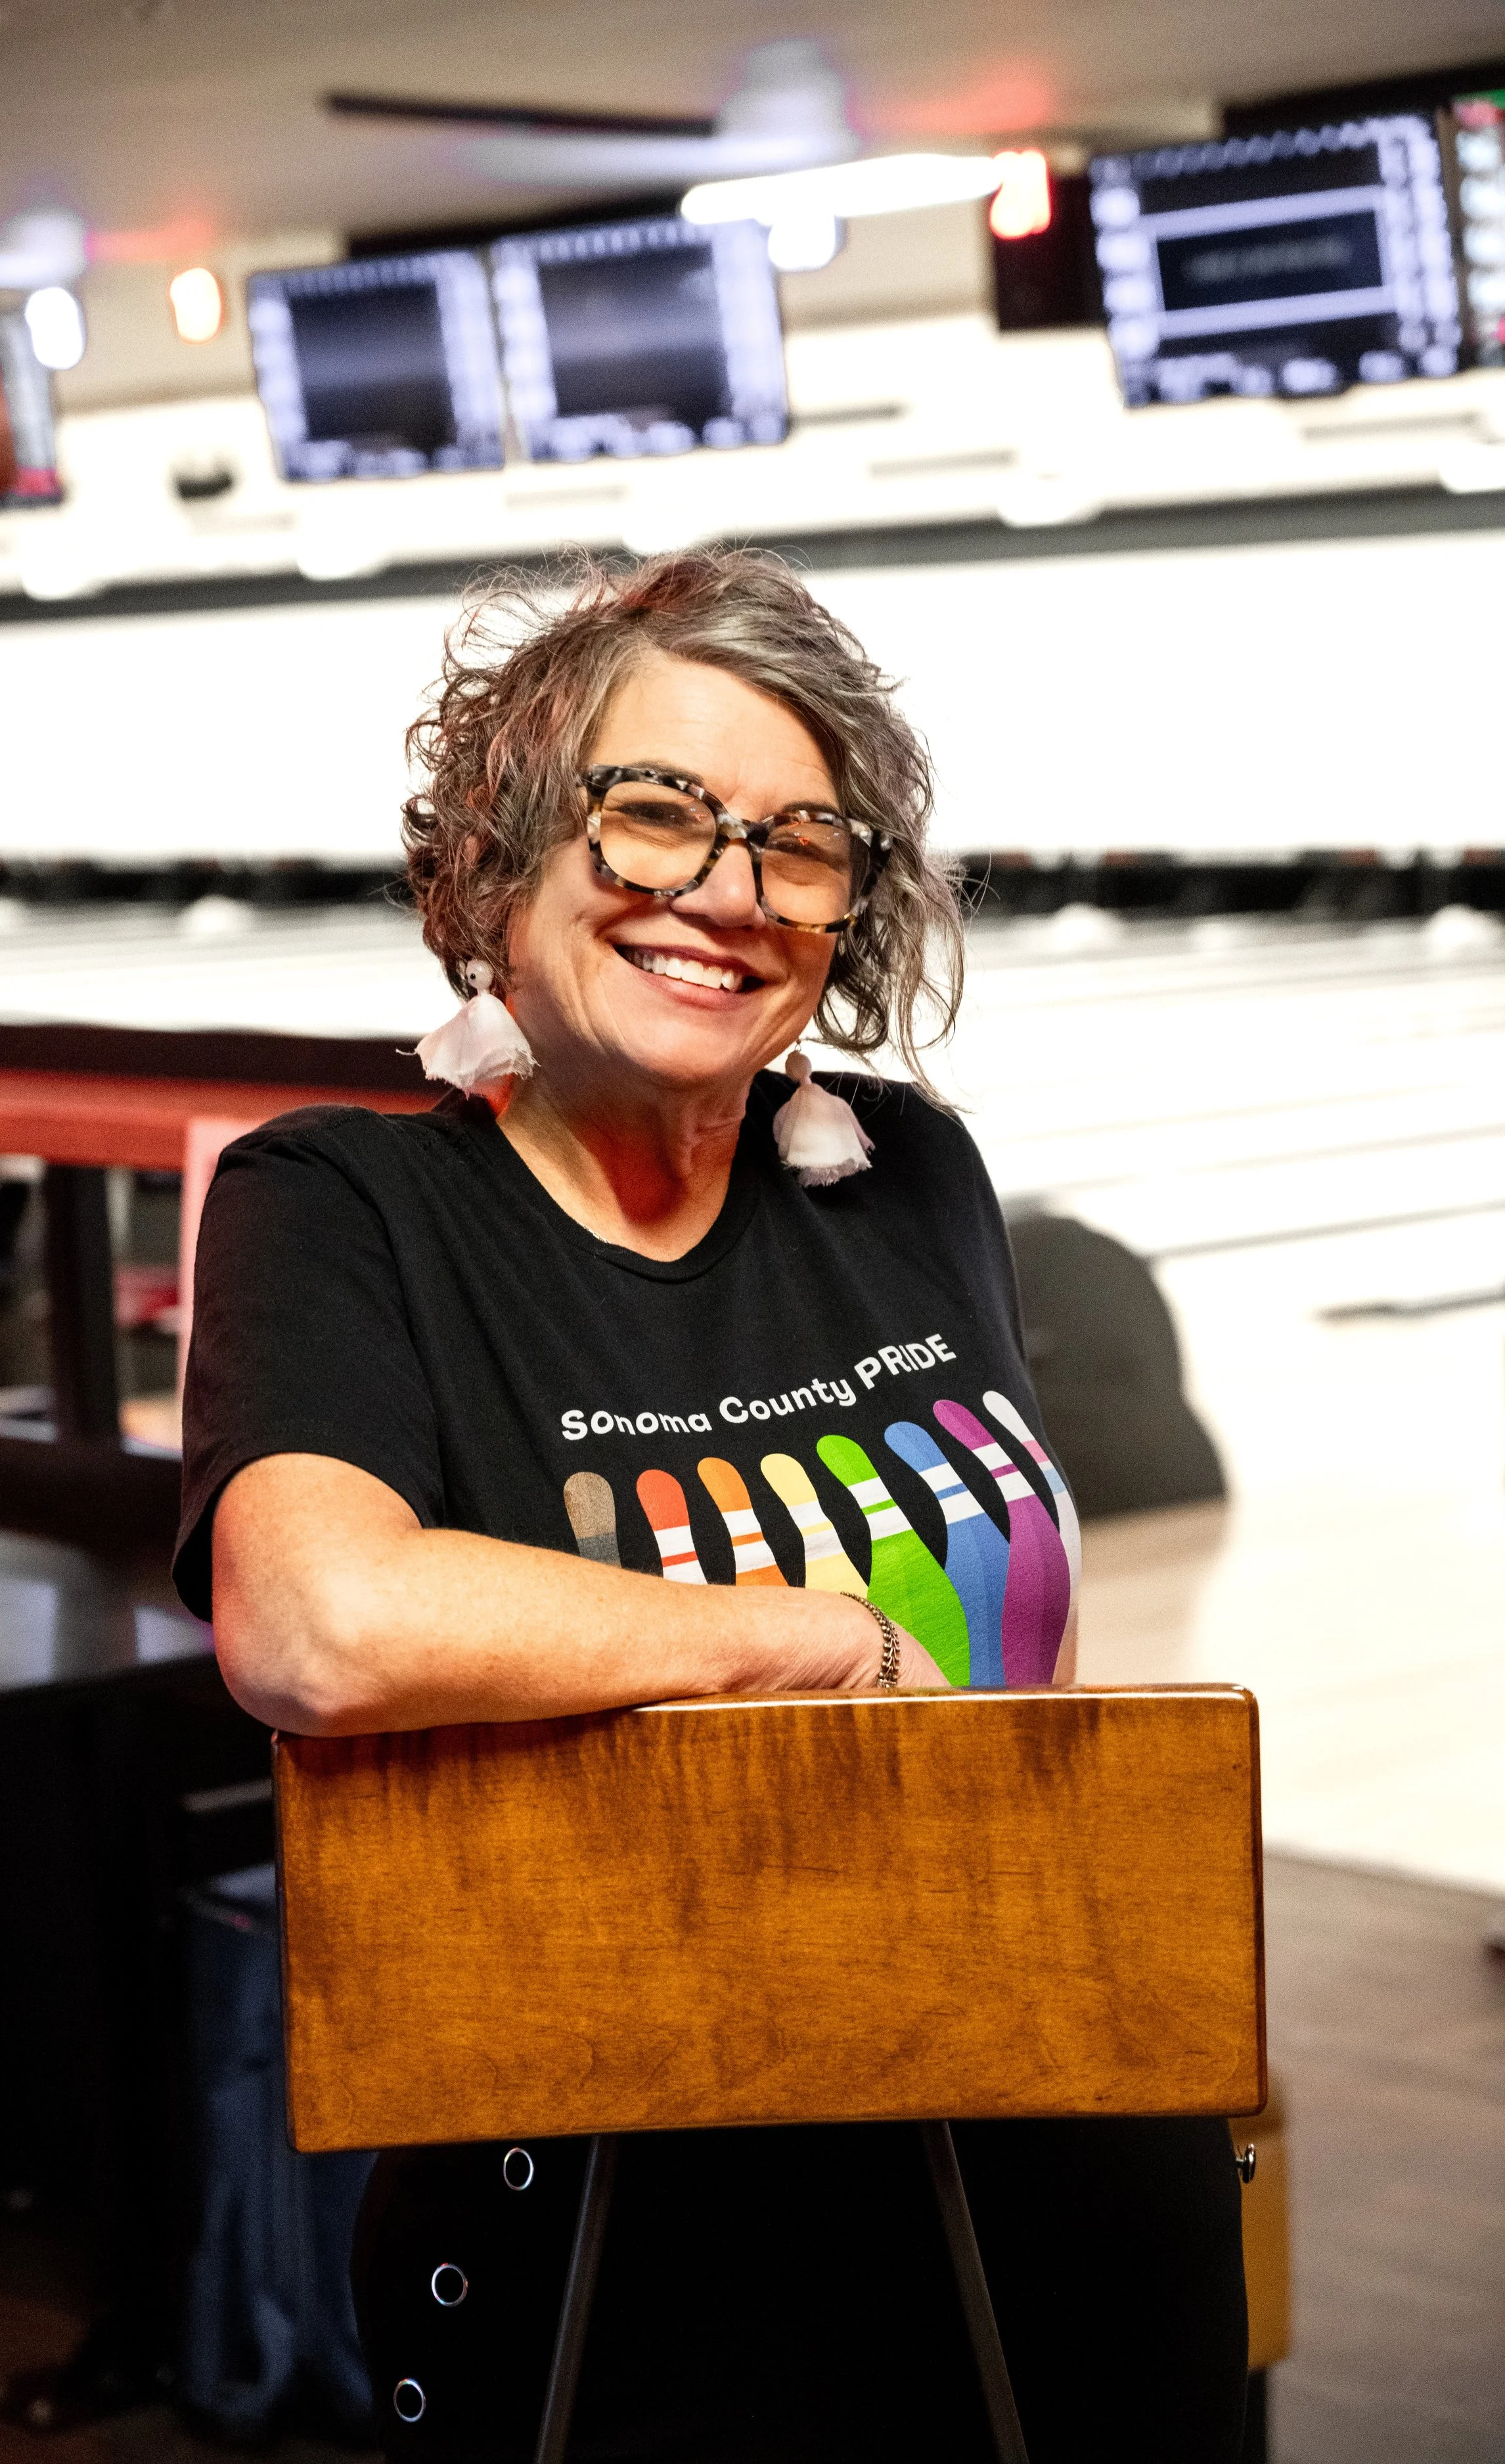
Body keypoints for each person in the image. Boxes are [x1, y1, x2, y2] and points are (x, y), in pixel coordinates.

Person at [175, 550, 1247, 2463]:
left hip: (1056, 2167)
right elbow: (316, 1624)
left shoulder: (908, 1174)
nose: (726, 893)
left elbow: (1022, 1682)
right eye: (654, 813)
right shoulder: (345, 1206)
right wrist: (805, 1635)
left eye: (798, 842)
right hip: (619, 2250)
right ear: (501, 855)